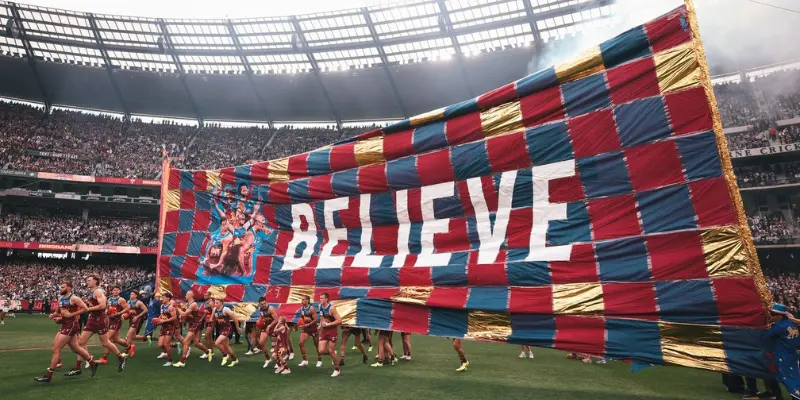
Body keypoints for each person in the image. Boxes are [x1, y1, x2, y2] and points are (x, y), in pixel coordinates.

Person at [35, 281, 99, 383]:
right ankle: (92, 362)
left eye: (63, 287)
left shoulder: (74, 298)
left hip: (71, 325)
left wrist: (72, 314)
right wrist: (54, 315)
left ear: (69, 288)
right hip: (65, 325)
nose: (60, 289)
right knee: (76, 348)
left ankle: (48, 376)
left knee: (56, 348)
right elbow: (57, 312)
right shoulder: (60, 299)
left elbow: (85, 309)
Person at [76, 275, 127, 372]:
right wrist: (87, 304)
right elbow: (96, 304)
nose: (87, 282)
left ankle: (121, 357)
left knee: (105, 342)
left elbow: (102, 305)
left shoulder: (98, 291)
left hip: (100, 320)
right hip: (93, 318)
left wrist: (88, 309)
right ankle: (78, 367)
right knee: (81, 342)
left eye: (89, 280)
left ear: (95, 281)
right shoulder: (92, 292)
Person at [766, 303, 800, 399]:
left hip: (782, 357)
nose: (770, 315)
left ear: (780, 316)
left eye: (772, 314)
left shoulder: (778, 327)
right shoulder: (792, 324)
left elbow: (766, 337)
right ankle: (777, 395)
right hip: (793, 355)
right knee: (783, 377)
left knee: (789, 379)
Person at [173, 291, 210, 368]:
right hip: (193, 324)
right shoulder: (189, 304)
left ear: (190, 296)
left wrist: (177, 307)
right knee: (196, 343)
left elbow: (183, 314)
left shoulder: (193, 304)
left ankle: (182, 361)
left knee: (186, 341)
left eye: (186, 294)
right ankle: (208, 352)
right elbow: (185, 315)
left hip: (195, 324)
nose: (185, 296)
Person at [99, 286, 129, 365]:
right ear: (112, 291)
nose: (115, 291)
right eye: (114, 290)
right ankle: (129, 347)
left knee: (107, 339)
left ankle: (104, 358)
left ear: (119, 291)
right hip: (110, 320)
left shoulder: (121, 299)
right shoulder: (109, 299)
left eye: (117, 290)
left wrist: (118, 313)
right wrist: (106, 312)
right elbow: (108, 308)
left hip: (117, 321)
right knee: (116, 339)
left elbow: (127, 308)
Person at [318, 292, 342, 377]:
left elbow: (339, 321)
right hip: (324, 331)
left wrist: (328, 324)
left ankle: (337, 369)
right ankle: (333, 352)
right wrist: (320, 325)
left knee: (330, 350)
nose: (320, 299)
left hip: (332, 330)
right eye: (320, 298)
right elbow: (322, 318)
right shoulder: (320, 306)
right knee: (321, 350)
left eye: (322, 298)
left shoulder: (332, 308)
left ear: (326, 299)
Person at [212, 298, 240, 367]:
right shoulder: (214, 310)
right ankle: (235, 360)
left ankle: (225, 355)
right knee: (226, 347)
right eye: (215, 303)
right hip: (221, 329)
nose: (215, 304)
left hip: (228, 329)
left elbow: (235, 318)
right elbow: (213, 319)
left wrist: (237, 327)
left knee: (217, 342)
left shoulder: (225, 309)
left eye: (217, 303)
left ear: (222, 303)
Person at [297, 295, 322, 368]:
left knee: (317, 345)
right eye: (302, 299)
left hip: (313, 328)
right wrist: (301, 323)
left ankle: (319, 360)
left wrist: (308, 324)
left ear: (307, 300)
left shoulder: (312, 308)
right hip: (306, 328)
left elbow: (316, 320)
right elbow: (302, 318)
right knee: (300, 342)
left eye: (303, 299)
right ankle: (305, 360)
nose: (302, 301)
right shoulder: (301, 309)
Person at [153, 292, 178, 366]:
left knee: (166, 344)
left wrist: (164, 320)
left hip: (170, 326)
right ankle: (175, 345)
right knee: (160, 345)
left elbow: (174, 317)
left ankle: (170, 361)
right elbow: (162, 315)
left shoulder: (171, 307)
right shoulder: (162, 306)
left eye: (163, 297)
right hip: (163, 326)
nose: (162, 299)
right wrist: (158, 319)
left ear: (168, 298)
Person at [255, 296, 279, 368]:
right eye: (262, 304)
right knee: (261, 342)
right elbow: (261, 317)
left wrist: (270, 325)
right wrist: (259, 321)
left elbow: (276, 319)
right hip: (265, 327)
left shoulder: (270, 309)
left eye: (264, 303)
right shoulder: (260, 309)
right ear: (260, 304)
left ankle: (278, 362)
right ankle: (268, 359)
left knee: (275, 346)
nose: (264, 305)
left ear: (266, 302)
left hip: (273, 327)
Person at [123, 290, 147, 358]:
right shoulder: (128, 302)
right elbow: (127, 310)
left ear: (136, 295)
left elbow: (145, 310)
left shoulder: (139, 302)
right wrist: (125, 315)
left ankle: (126, 351)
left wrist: (138, 316)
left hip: (137, 320)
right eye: (130, 294)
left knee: (128, 336)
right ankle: (144, 337)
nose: (131, 295)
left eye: (132, 294)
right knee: (133, 336)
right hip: (131, 320)